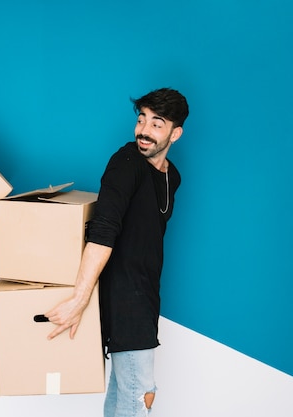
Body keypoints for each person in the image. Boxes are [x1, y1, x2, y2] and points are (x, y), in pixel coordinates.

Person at [45, 88, 189, 416]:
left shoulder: (172, 177)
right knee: (140, 396)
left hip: (146, 296)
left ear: (175, 133)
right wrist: (80, 300)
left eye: (157, 123)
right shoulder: (126, 163)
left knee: (124, 395)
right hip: (124, 299)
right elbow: (103, 232)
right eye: (141, 120)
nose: (144, 130)